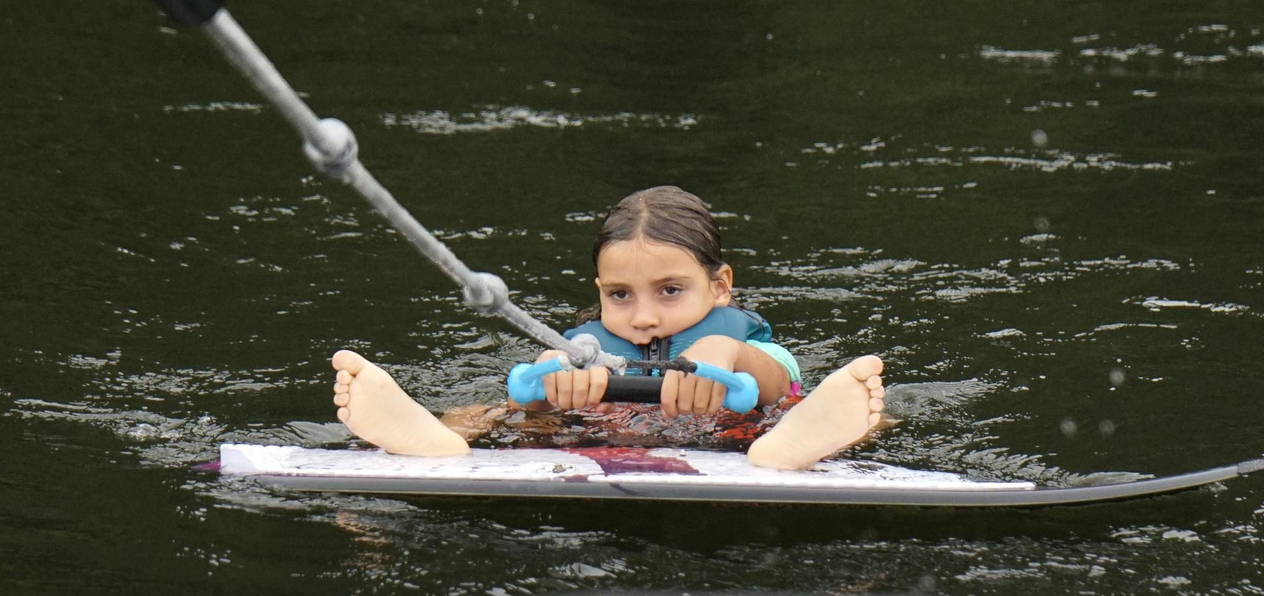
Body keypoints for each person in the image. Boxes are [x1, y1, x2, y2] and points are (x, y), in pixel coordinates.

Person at [330, 185, 885, 470]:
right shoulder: (588, 349)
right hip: (601, 429)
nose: (642, 316)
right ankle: (441, 442)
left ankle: (792, 451)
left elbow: (777, 380)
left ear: (719, 287)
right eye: (621, 295)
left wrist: (729, 353)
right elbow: (532, 392)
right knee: (501, 413)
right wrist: (549, 382)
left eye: (670, 290)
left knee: (856, 416)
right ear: (600, 294)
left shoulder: (741, 343)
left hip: (738, 437)